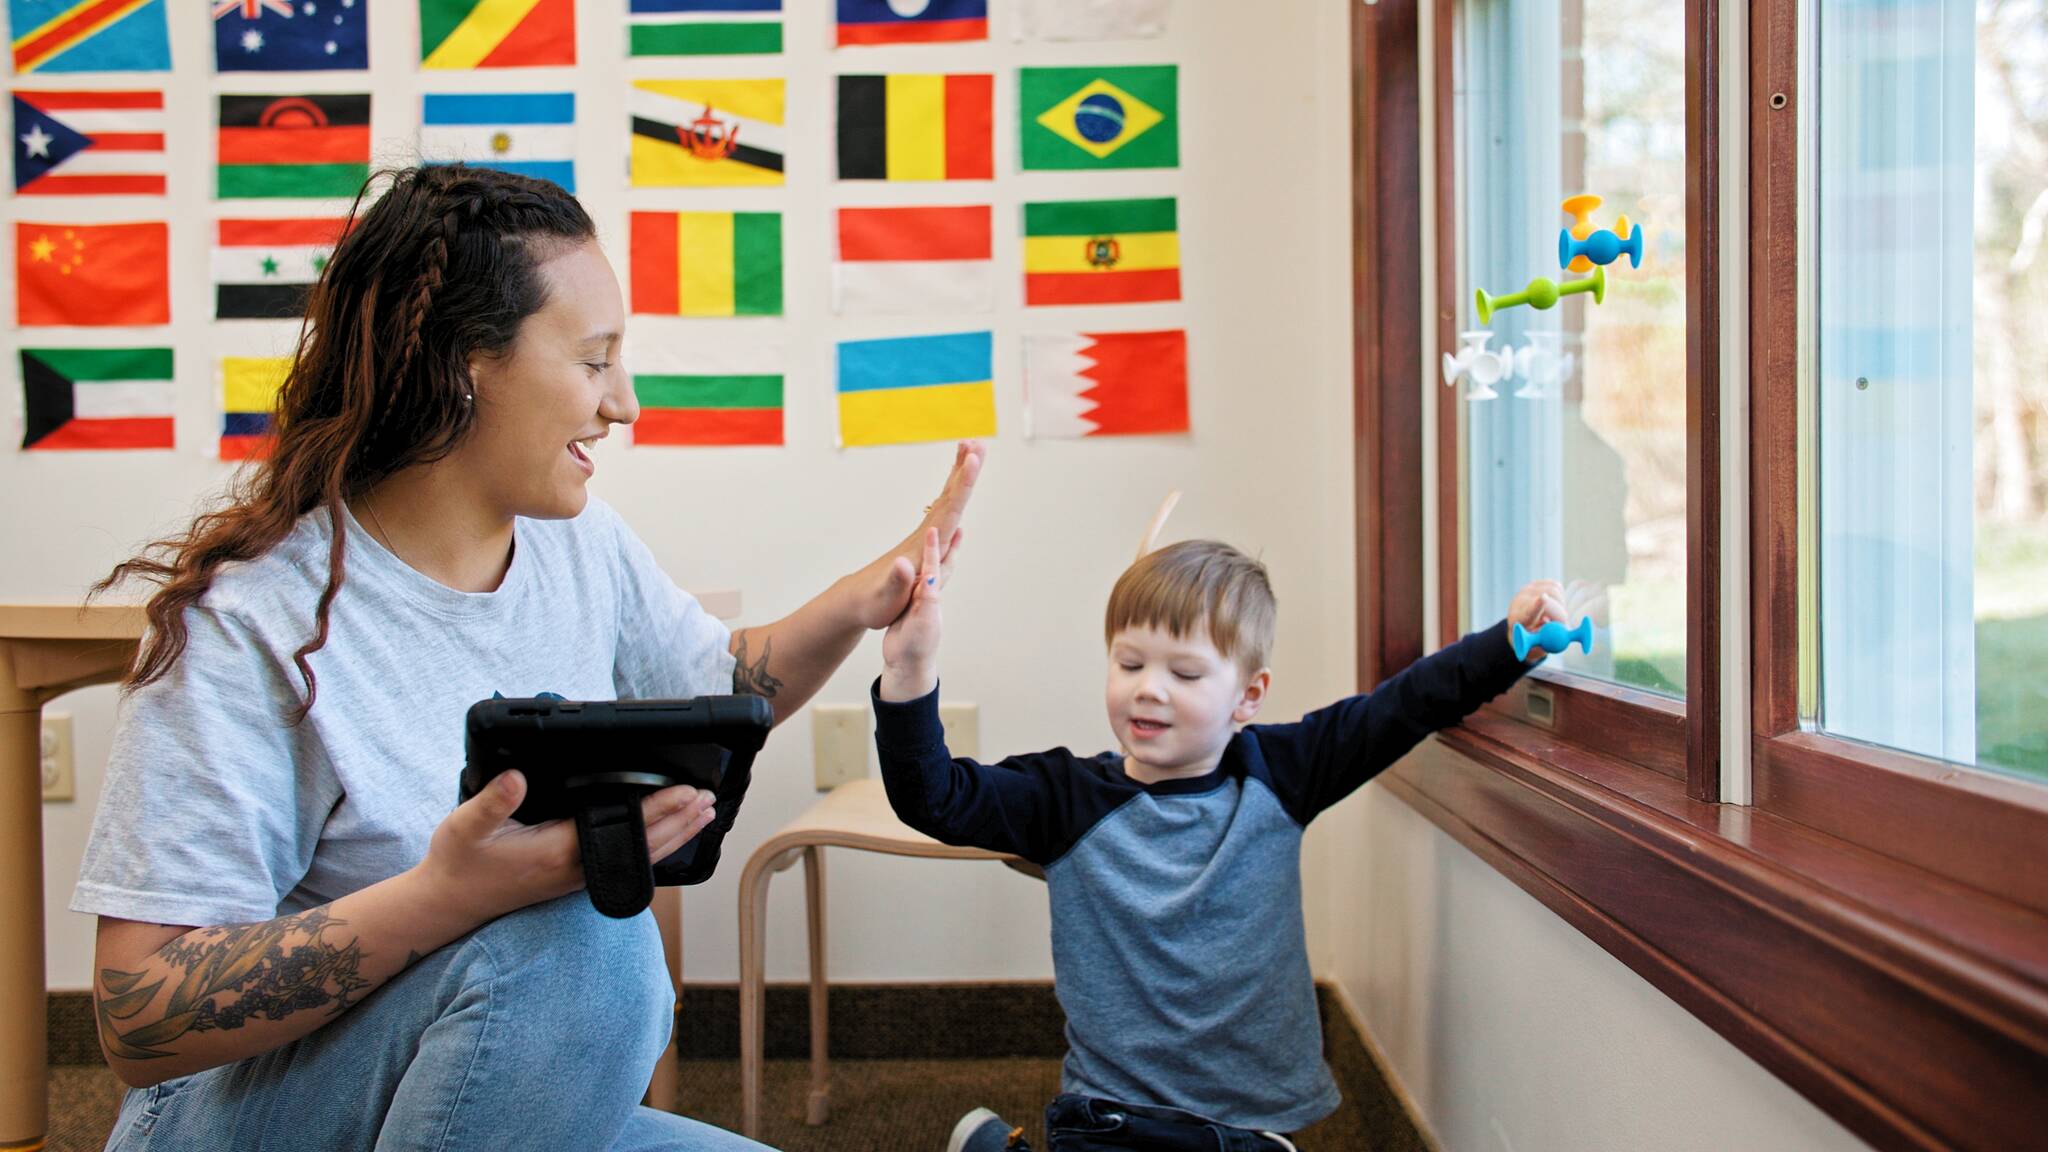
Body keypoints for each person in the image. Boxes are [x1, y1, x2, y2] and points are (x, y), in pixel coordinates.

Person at [74, 164, 982, 1151]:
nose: (624, 403)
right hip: (231, 1113)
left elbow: (719, 688)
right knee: (585, 937)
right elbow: (139, 1015)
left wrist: (859, 602)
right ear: (468, 363)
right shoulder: (254, 624)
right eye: (594, 361)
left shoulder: (574, 543)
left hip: (470, 1081)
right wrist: (448, 895)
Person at [871, 534, 1564, 1152]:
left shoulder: (1284, 772)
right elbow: (932, 797)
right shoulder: (1064, 796)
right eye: (1130, 663)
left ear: (1248, 695)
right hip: (1110, 1115)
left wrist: (1506, 644)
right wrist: (909, 674)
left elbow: (1404, 706)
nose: (1149, 691)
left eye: (1186, 674)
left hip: (1248, 1121)